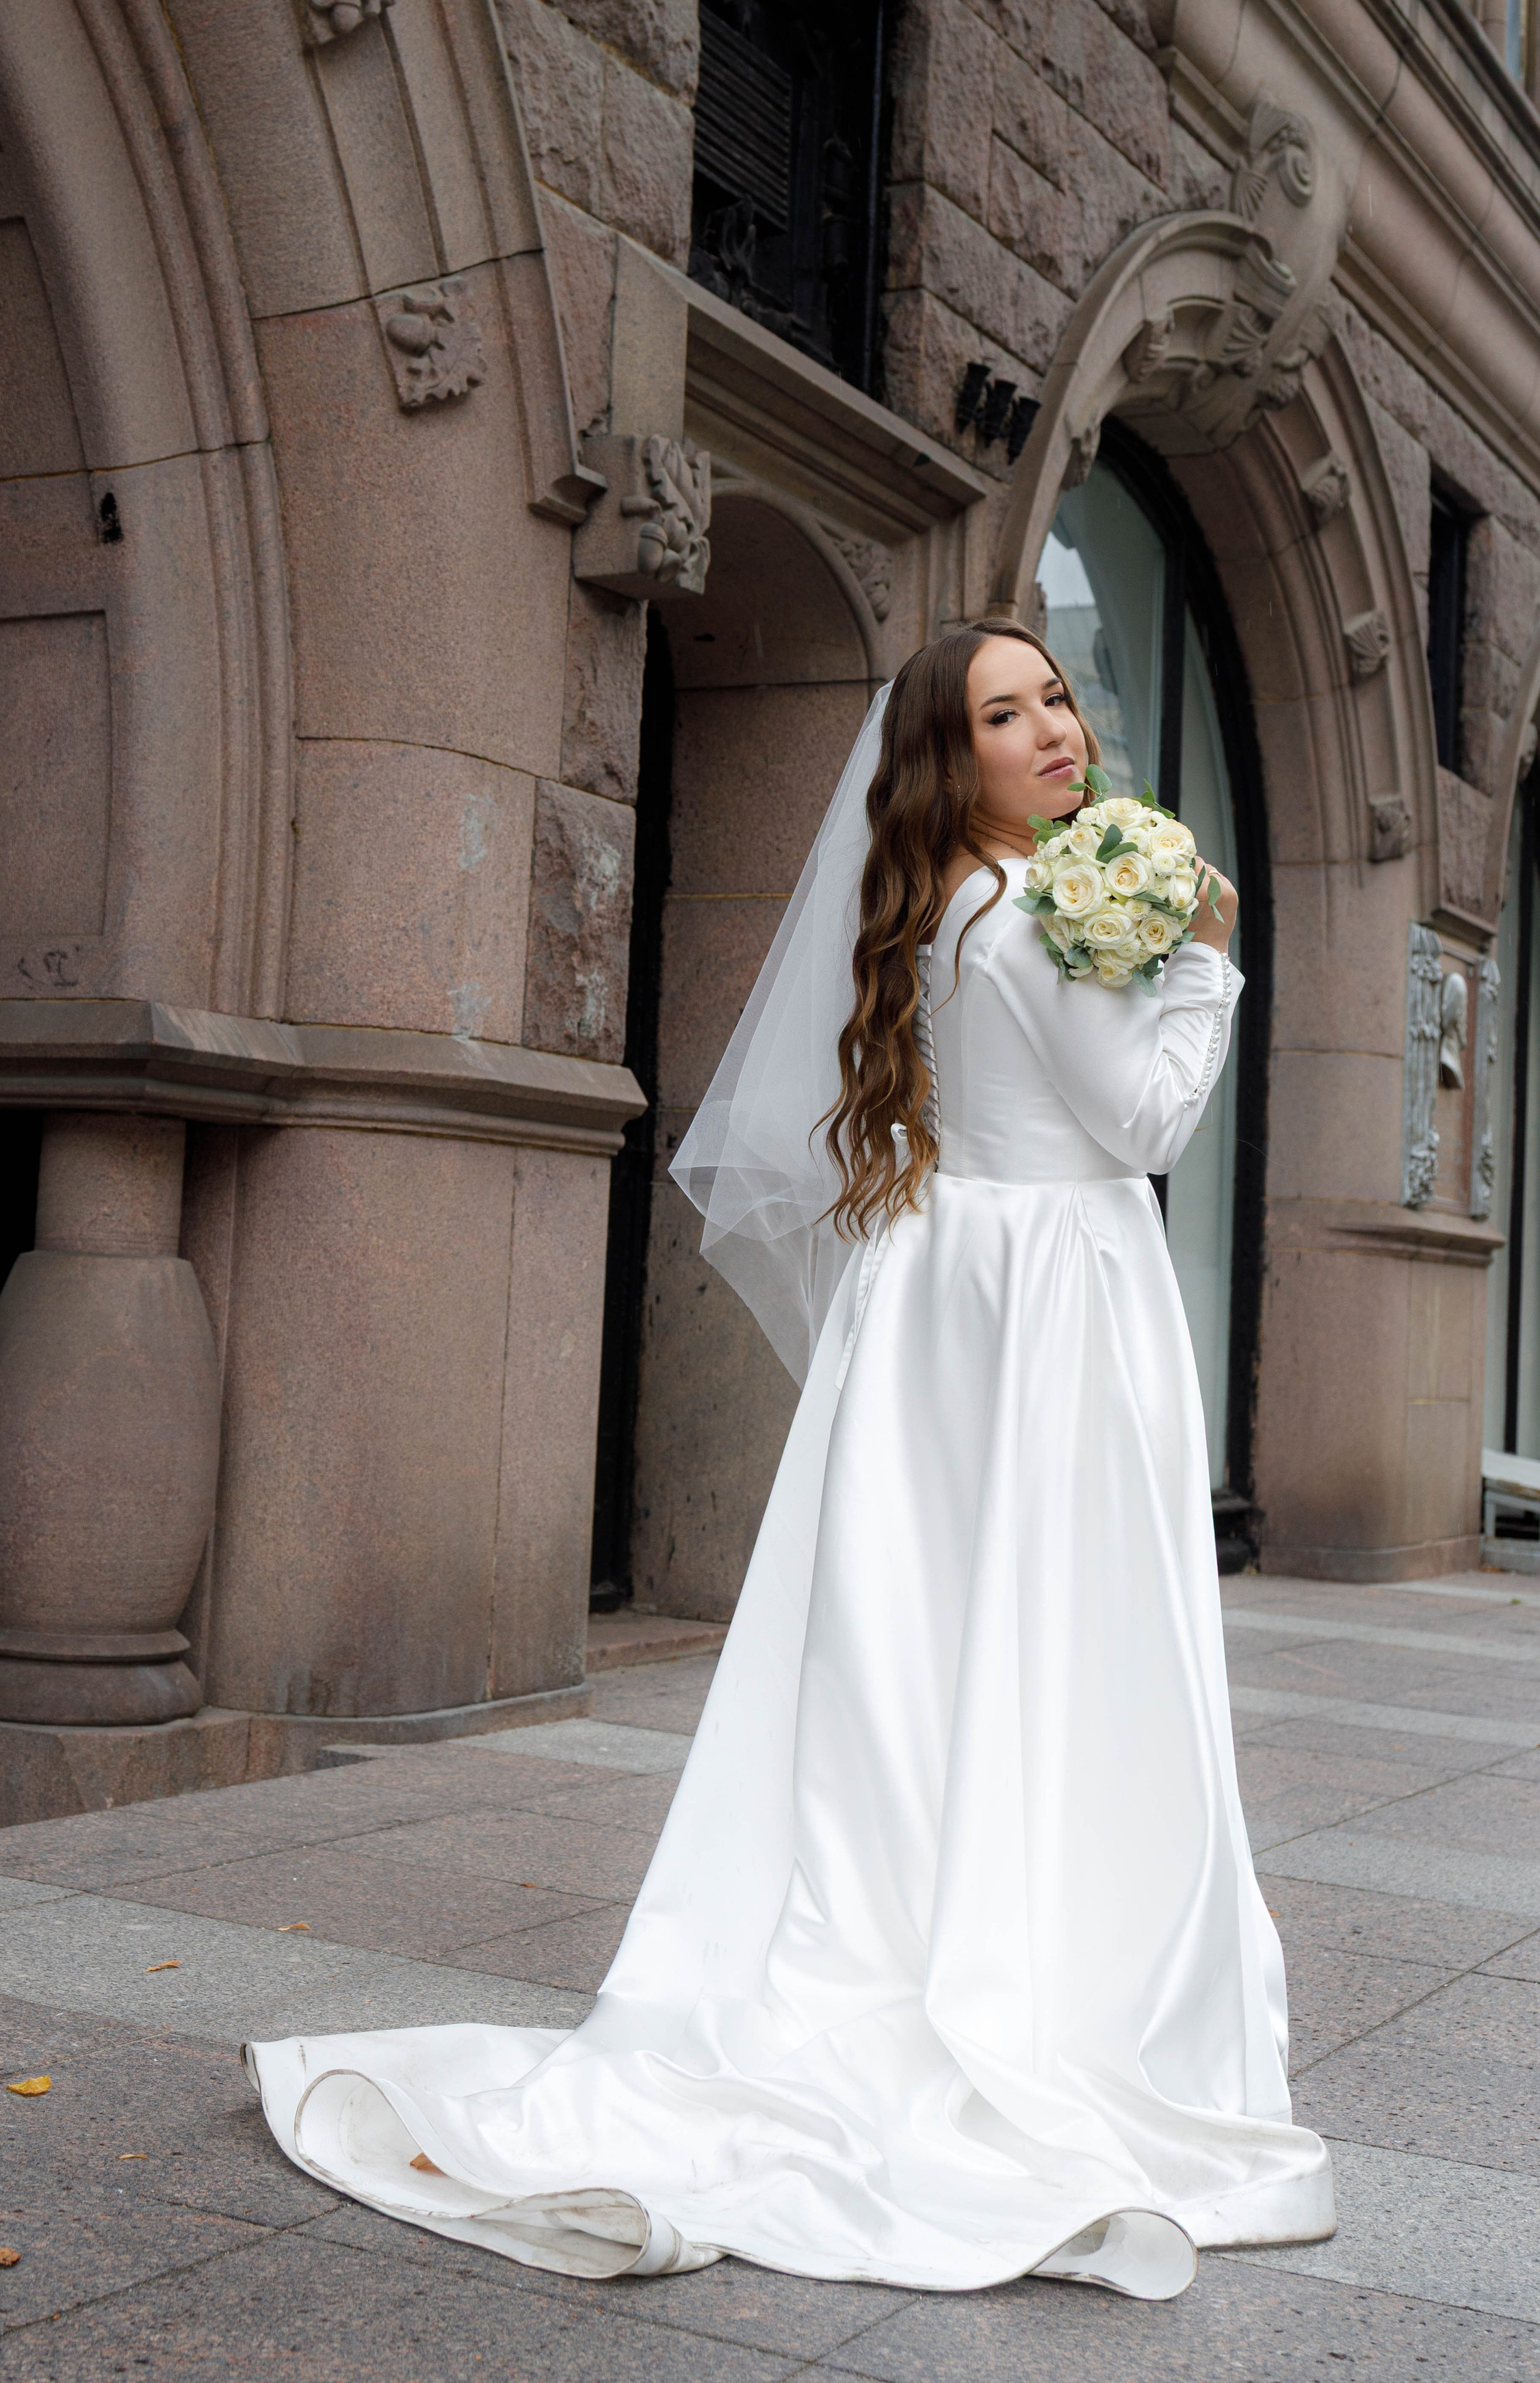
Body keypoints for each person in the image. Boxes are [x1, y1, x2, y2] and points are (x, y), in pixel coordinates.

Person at [246, 621, 1335, 2302]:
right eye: (1003, 714)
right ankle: (1029, 1965)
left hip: (959, 1299)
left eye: (1054, 697)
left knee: (917, 1660)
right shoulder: (1011, 910)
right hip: (1040, 1305)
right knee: (1047, 1643)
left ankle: (962, 1915)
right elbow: (1142, 1131)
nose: (1051, 730)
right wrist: (1205, 959)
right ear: (943, 758)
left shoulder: (953, 904)